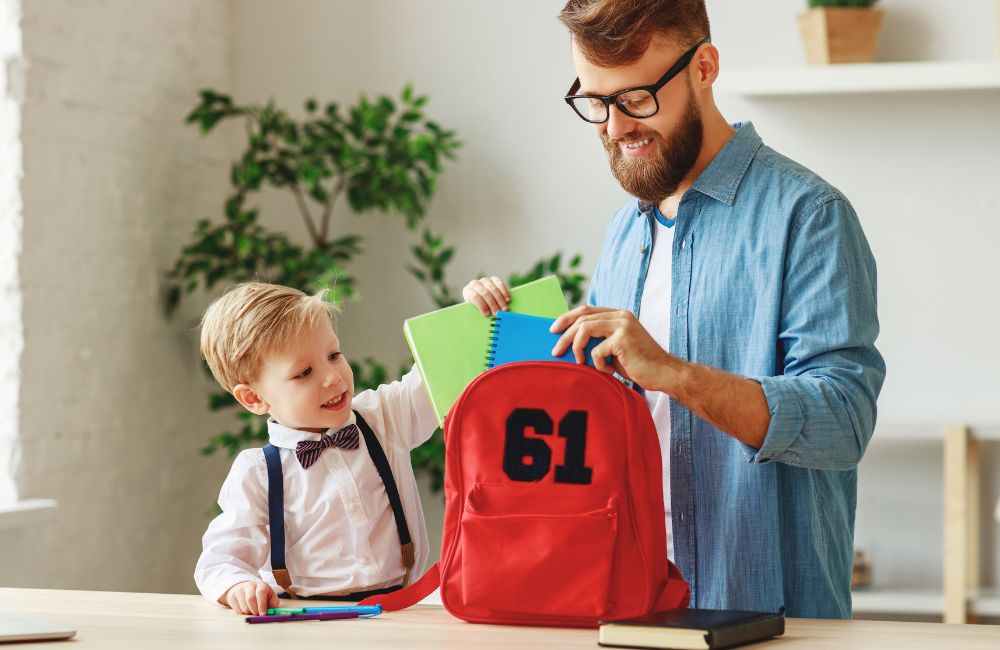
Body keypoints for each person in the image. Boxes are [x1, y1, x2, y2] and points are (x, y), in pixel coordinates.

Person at [463, 0, 886, 618]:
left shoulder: (809, 216)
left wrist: (674, 374)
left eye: (636, 99)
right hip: (628, 603)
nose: (615, 127)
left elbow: (843, 422)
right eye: (596, 102)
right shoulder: (623, 232)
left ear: (704, 68)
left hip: (765, 617)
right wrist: (494, 361)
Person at [194, 282, 438, 615]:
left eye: (334, 355)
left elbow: (439, 374)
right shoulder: (257, 473)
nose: (333, 378)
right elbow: (219, 560)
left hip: (402, 610)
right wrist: (238, 585)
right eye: (304, 372)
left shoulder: (385, 418)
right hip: (304, 618)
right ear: (253, 398)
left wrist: (478, 311)